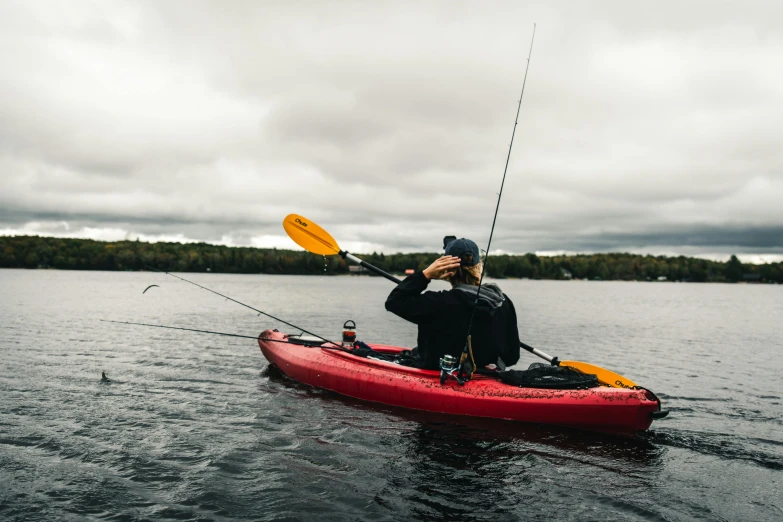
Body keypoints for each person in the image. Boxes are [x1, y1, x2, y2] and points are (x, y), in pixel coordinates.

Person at [385, 238, 521, 371]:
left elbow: (394, 301)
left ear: (445, 269)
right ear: (479, 266)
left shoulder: (437, 302)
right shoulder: (502, 301)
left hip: (438, 378)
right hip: (482, 377)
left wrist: (425, 275)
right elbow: (511, 357)